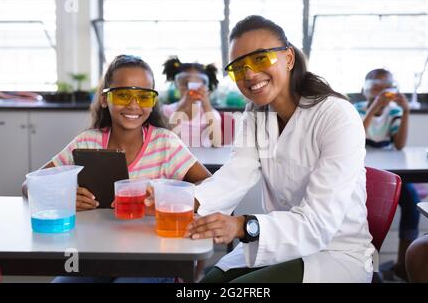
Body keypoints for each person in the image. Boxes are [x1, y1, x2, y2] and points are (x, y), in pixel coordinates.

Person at [161, 15, 375, 283]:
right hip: (280, 245)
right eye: (238, 67)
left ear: (288, 58)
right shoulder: (256, 114)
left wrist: (242, 225)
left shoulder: (336, 116)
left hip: (334, 253)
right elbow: (235, 174)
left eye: (261, 58)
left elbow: (318, 224)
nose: (249, 74)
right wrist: (169, 203)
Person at [22, 54, 211, 282]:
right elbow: (29, 185)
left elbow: (209, 185)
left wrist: (166, 196)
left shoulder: (166, 144)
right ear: (105, 99)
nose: (133, 104)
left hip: (156, 260)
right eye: (123, 95)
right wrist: (64, 196)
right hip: (95, 256)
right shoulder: (86, 143)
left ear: (152, 101)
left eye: (143, 96)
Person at [354, 69, 420, 281]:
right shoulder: (356, 110)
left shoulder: (394, 112)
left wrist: (406, 112)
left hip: (391, 173)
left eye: (386, 88)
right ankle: (366, 266)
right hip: (362, 172)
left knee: (411, 199)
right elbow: (356, 139)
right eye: (375, 88)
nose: (381, 93)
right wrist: (373, 108)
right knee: (366, 210)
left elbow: (399, 145)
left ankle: (403, 264)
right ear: (365, 91)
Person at [162, 57, 222, 147]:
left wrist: (206, 106)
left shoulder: (211, 114)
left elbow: (217, 143)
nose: (191, 90)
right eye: (186, 84)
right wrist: (181, 108)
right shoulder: (167, 111)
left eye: (197, 86)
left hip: (204, 160)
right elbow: (168, 141)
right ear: (177, 85)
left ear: (206, 87)